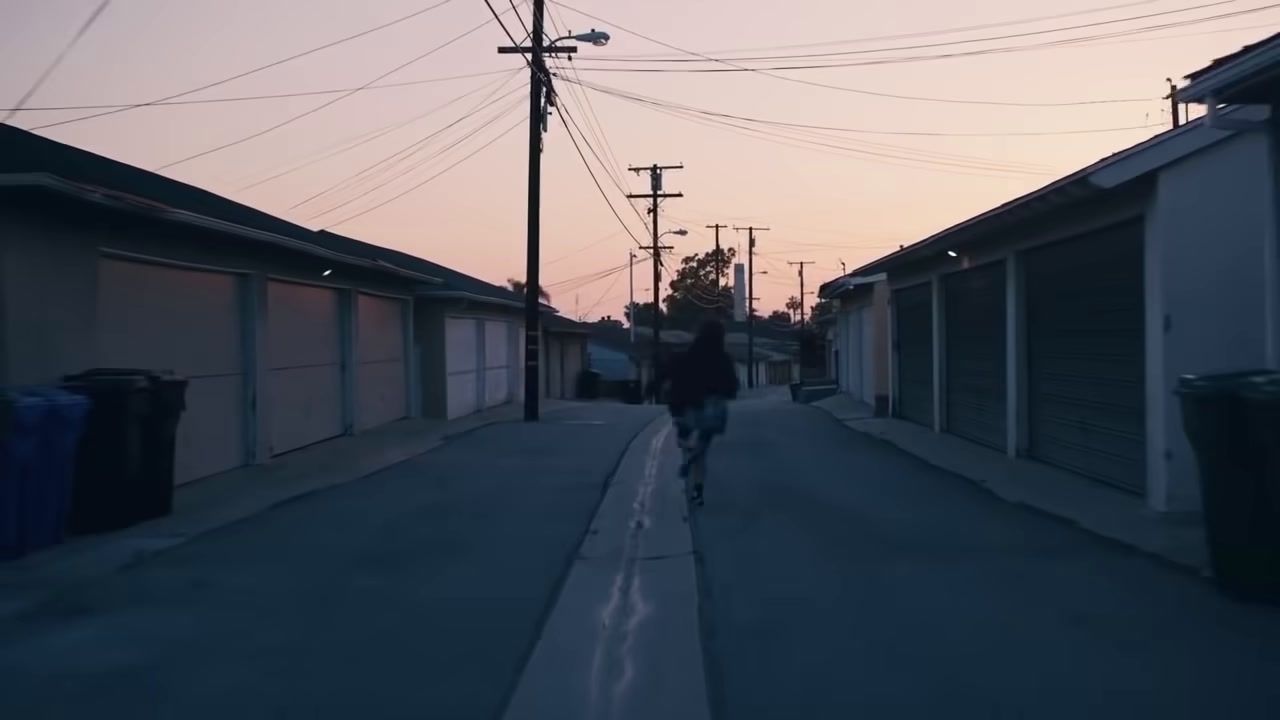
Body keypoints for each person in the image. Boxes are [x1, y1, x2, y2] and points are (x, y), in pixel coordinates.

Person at [666, 319, 739, 506]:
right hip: (715, 407)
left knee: (685, 437)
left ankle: (689, 452)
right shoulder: (724, 358)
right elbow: (732, 386)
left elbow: (678, 380)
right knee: (703, 446)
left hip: (693, 404)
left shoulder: (690, 355)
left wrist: (676, 407)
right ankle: (698, 488)